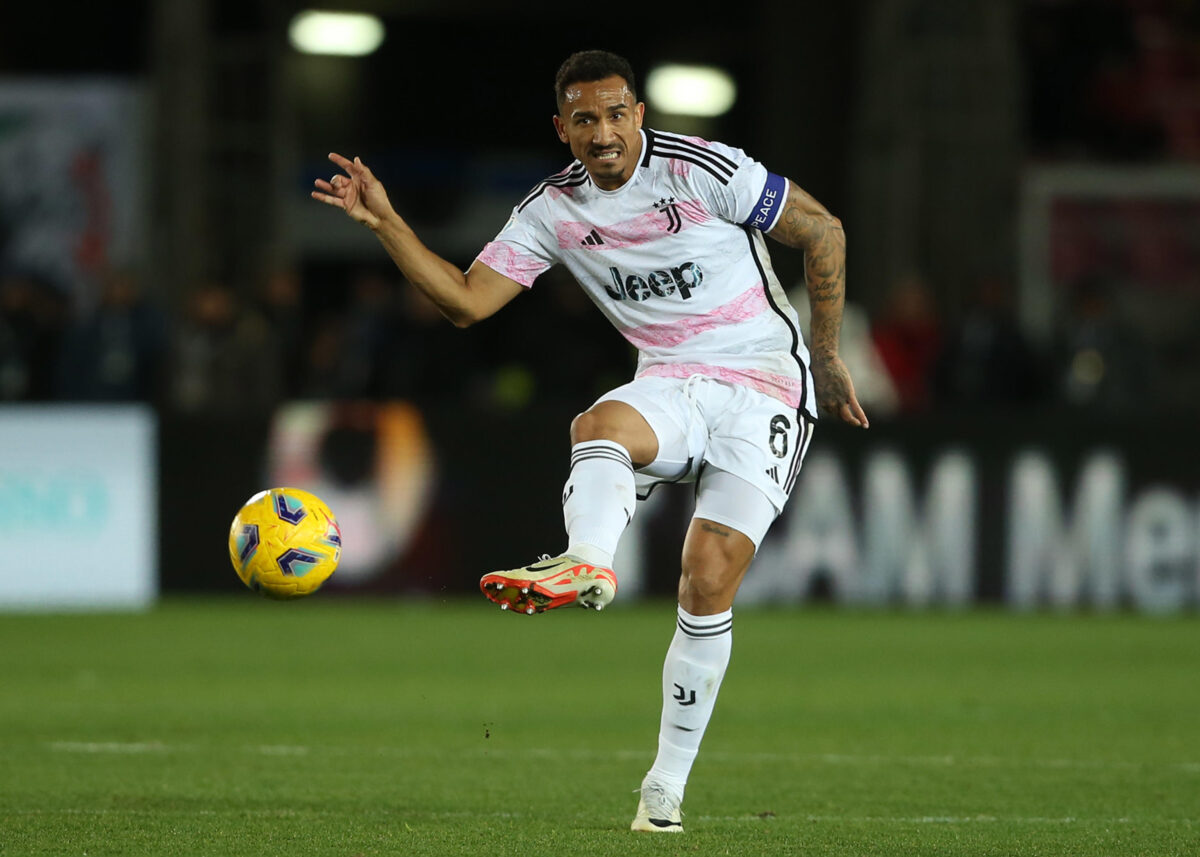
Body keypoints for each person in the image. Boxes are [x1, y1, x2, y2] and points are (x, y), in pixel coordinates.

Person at [313, 49, 868, 833]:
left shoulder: (703, 170)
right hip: (670, 379)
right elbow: (467, 303)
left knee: (707, 578)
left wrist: (828, 352)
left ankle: (663, 790)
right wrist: (387, 223)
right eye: (584, 120)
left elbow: (822, 229)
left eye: (614, 115)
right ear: (562, 129)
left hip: (765, 383)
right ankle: (587, 561)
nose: (602, 132)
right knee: (597, 424)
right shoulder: (552, 210)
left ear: (638, 114)